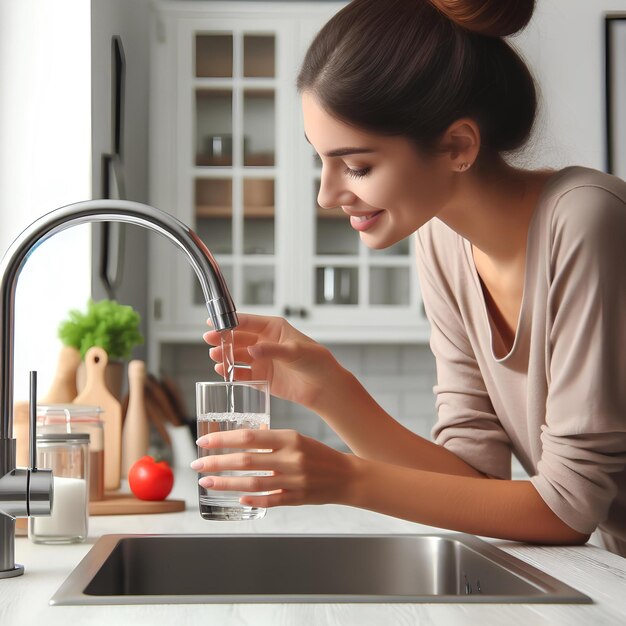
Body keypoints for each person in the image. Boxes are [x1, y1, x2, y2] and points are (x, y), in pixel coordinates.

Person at [194, 0, 626, 557]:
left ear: (458, 146)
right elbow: (473, 484)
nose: (326, 195)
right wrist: (330, 391)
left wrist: (346, 479)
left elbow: (568, 510)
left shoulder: (587, 220)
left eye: (357, 166)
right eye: (322, 161)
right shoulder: (441, 238)